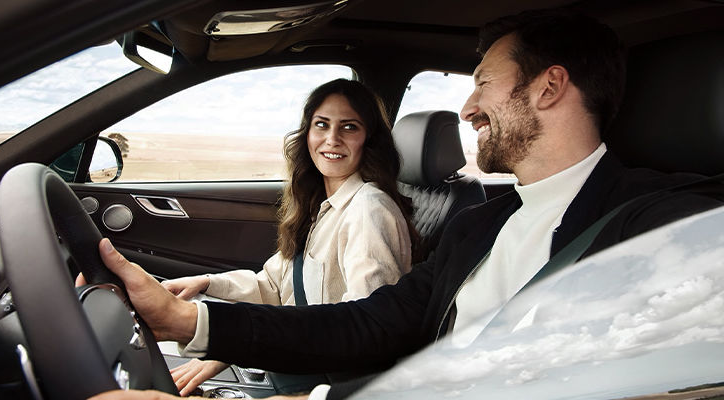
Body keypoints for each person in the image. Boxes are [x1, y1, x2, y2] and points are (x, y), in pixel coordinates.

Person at [88, 9, 724, 400]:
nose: (468, 107)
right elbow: (370, 323)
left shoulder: (670, 225)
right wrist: (189, 321)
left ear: (550, 87)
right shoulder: (480, 225)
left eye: (482, 82)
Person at [157, 79, 419, 395]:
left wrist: (232, 346)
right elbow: (274, 286)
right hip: (298, 361)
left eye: (349, 127)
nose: (332, 139)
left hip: (326, 384)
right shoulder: (319, 206)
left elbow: (364, 332)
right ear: (307, 134)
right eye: (322, 124)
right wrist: (207, 283)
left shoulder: (369, 209)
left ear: (370, 140)